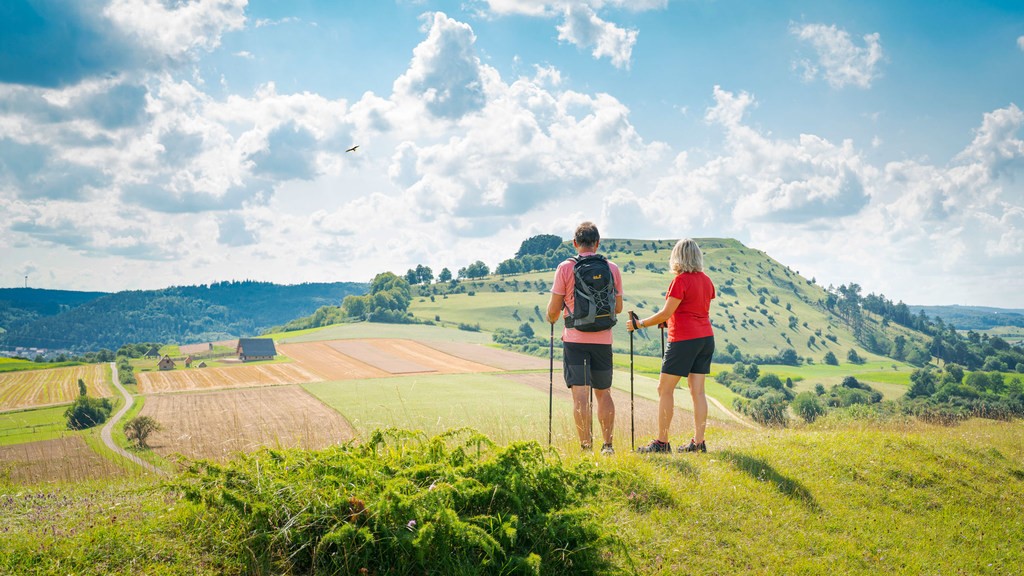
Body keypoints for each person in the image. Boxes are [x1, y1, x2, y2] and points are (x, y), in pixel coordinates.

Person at [627, 238, 715, 453]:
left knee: (664, 389)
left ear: (677, 257)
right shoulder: (706, 280)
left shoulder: (680, 281)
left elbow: (666, 313)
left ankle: (662, 443)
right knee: (698, 392)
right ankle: (699, 443)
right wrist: (671, 320)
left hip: (684, 340)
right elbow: (694, 309)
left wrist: (639, 324)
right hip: (705, 338)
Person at [546, 222, 624, 455]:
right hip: (603, 340)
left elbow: (553, 310)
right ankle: (608, 447)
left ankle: (586, 448)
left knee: (580, 396)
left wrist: (552, 317)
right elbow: (618, 308)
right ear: (597, 243)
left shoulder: (565, 268)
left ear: (575, 243)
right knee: (604, 393)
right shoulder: (612, 268)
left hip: (575, 341)